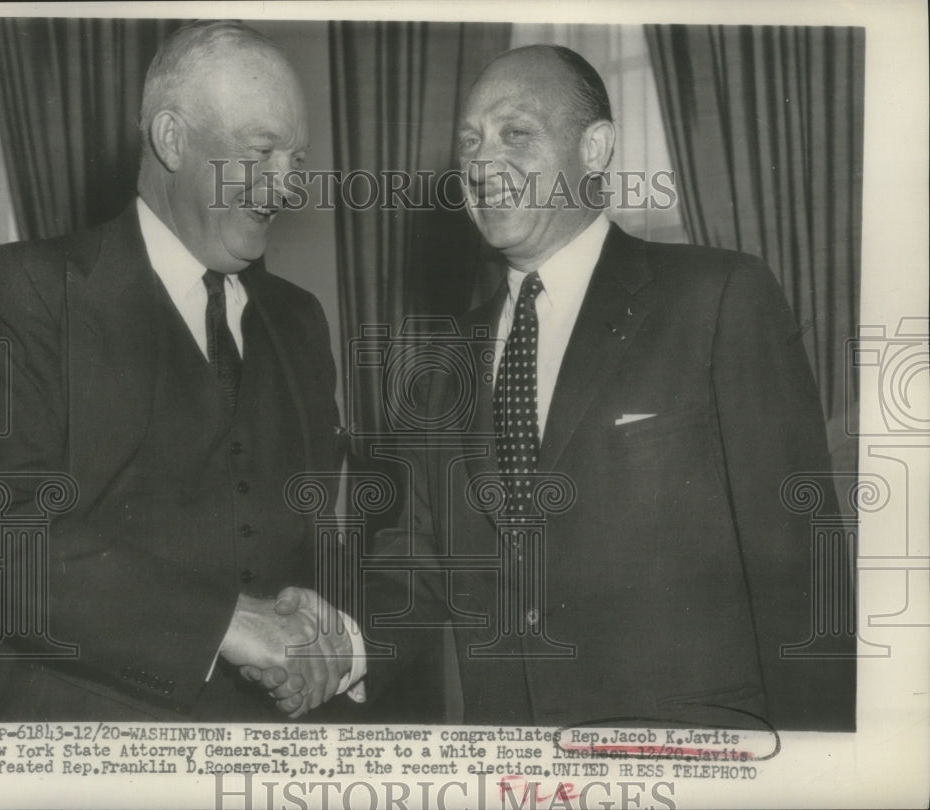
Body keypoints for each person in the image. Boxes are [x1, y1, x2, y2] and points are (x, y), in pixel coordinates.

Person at [273, 43, 856, 730]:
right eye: (469, 143)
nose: (484, 164)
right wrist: (335, 642)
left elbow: (797, 573)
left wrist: (824, 774)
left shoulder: (719, 298)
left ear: (598, 147)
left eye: (516, 133)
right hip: (514, 768)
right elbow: (418, 565)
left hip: (696, 763)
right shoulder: (440, 365)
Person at [0, 21, 356, 721]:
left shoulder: (300, 320)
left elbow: (312, 542)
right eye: (262, 152)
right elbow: (3, 543)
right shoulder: (27, 290)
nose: (286, 186)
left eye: (295, 159)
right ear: (173, 139)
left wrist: (333, 646)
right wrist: (222, 624)